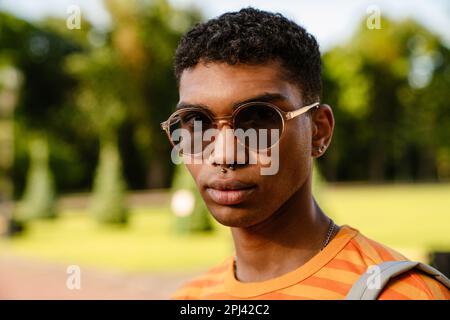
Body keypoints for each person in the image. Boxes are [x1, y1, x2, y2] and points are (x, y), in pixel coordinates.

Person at [162, 7, 450, 299]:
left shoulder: (403, 294)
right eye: (197, 122)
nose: (224, 155)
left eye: (260, 118)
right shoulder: (192, 297)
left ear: (319, 131)